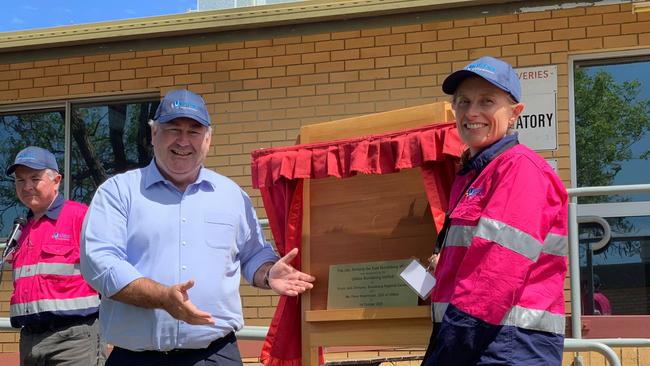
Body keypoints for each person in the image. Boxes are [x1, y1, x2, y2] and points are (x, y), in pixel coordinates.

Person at [80, 89, 315, 365]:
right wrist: (163, 297)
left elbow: (252, 255)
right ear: (154, 134)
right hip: (135, 358)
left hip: (215, 355)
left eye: (194, 131)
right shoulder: (118, 192)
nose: (183, 140)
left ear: (208, 139)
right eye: (173, 129)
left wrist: (267, 272)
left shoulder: (231, 195)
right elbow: (101, 264)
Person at [421, 56, 569, 366]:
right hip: (481, 342)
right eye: (463, 102)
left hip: (506, 348)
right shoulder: (473, 174)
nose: (471, 112)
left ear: (515, 113)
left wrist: (446, 353)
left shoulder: (519, 170)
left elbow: (493, 277)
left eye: (487, 101)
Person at [5, 146, 105, 366]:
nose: (27, 186)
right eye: (20, 180)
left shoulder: (80, 216)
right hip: (30, 340)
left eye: (35, 178)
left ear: (56, 180)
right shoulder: (23, 229)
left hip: (73, 341)